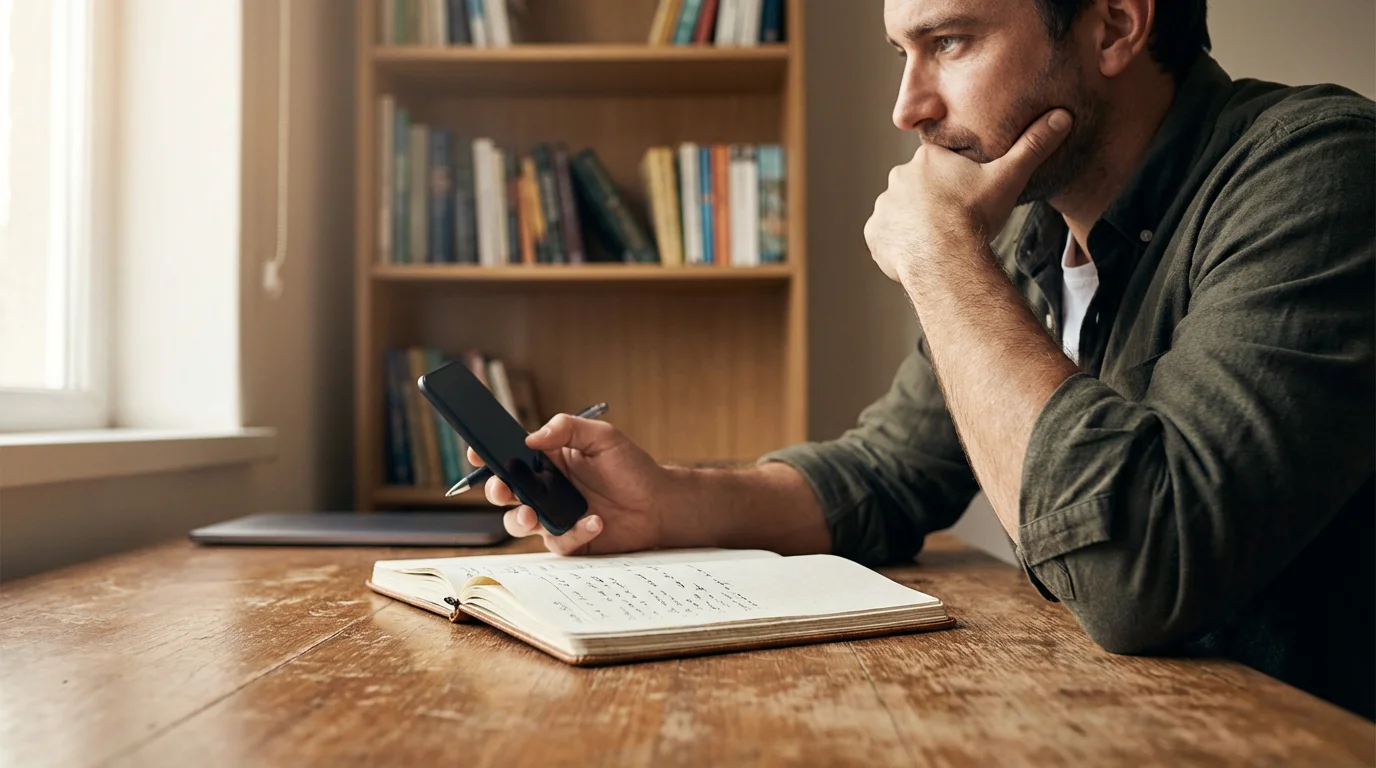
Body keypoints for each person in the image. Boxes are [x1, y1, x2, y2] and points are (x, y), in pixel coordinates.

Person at [473, 0, 1375, 719]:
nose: (908, 107)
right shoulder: (1030, 241)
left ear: (1115, 26)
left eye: (948, 42)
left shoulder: (1319, 172)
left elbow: (1138, 572)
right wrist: (669, 501)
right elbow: (891, 471)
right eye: (901, 52)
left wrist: (941, 257)